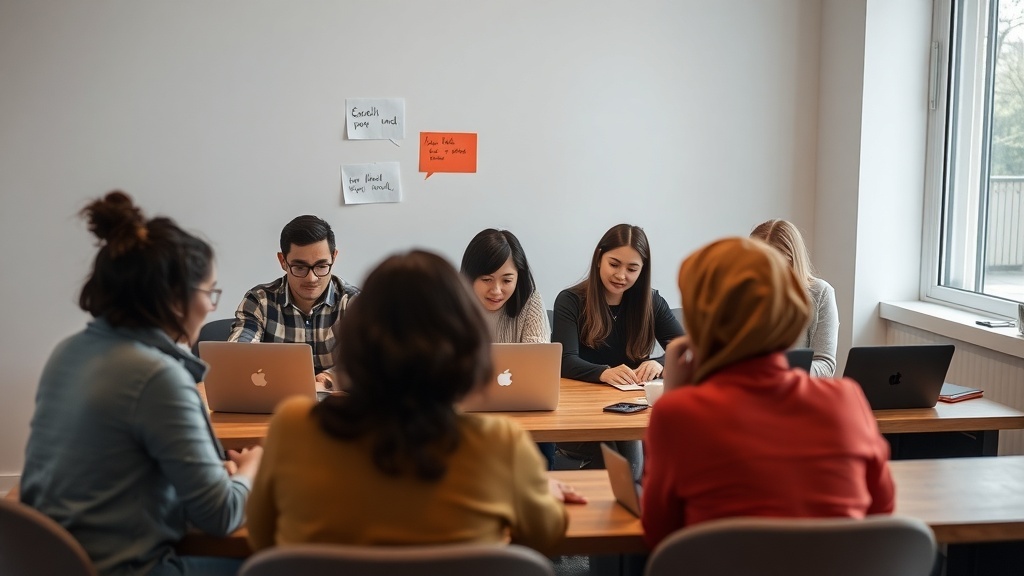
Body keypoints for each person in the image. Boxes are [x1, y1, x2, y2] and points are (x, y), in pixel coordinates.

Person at [246, 250, 584, 555]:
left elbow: (261, 539)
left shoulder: (292, 427)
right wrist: (537, 489)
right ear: (466, 343)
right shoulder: (500, 443)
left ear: (356, 339)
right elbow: (546, 538)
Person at [20, 191, 262, 576]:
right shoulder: (157, 376)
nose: (213, 307)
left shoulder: (66, 352)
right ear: (174, 298)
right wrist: (251, 467)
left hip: (52, 561)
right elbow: (221, 516)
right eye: (210, 293)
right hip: (126, 569)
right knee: (279, 563)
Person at [641, 237, 894, 549]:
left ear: (702, 319)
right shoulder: (848, 400)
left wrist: (677, 392)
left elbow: (659, 532)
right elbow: (882, 513)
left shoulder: (679, 415)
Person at [551, 223, 684, 478]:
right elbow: (565, 361)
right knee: (614, 454)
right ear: (599, 257)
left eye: (632, 269)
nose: (621, 275)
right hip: (585, 409)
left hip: (631, 407)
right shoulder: (570, 300)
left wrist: (660, 363)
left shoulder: (651, 301)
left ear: (642, 271)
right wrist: (603, 373)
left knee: (636, 449)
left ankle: (635, 508)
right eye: (614, 264)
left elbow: (686, 349)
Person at [228, 215, 359, 389]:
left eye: (321, 266)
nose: (312, 278)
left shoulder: (353, 302)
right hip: (274, 405)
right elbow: (237, 355)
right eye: (300, 267)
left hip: (336, 409)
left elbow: (367, 362)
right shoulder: (259, 300)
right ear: (283, 261)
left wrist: (327, 378)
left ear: (334, 257)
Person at [750, 218, 839, 377]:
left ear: (791, 260)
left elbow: (826, 365)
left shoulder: (821, 294)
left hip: (797, 392)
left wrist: (783, 374)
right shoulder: (742, 293)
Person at [460, 228, 550, 344]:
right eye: (487, 279)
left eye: (507, 281)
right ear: (469, 276)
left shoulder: (531, 302)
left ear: (519, 276)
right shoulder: (452, 302)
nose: (496, 291)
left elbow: (538, 358)